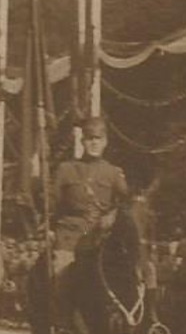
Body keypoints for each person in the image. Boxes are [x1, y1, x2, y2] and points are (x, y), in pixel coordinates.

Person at [46, 116, 127, 271]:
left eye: (98, 138)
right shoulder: (66, 169)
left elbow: (126, 204)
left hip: (101, 238)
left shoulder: (113, 173)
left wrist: (112, 216)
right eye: (90, 138)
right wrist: (50, 228)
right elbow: (51, 203)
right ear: (82, 141)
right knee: (61, 275)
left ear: (105, 142)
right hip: (70, 236)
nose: (94, 143)